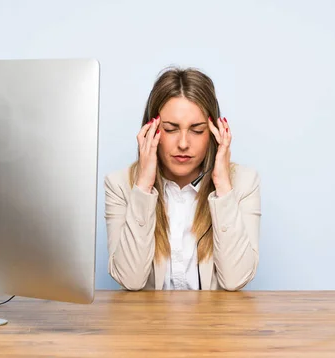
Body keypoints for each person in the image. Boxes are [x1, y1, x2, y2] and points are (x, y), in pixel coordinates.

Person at [104, 66, 261, 291]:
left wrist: (224, 187)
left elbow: (236, 280)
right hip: (147, 325)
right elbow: (130, 280)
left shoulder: (244, 183)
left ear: (214, 132)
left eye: (197, 130)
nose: (184, 144)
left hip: (215, 325)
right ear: (151, 129)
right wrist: (143, 188)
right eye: (171, 129)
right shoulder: (119, 185)